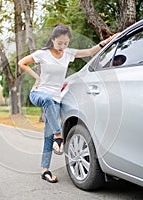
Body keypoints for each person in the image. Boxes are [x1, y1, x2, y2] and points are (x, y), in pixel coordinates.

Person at [18, 24, 116, 183]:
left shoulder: (68, 54)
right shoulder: (42, 54)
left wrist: (106, 42)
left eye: (66, 43)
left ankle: (45, 170)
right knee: (49, 102)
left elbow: (90, 52)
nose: (62, 46)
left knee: (47, 134)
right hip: (39, 93)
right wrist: (37, 78)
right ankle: (59, 135)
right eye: (59, 43)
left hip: (56, 99)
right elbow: (22, 62)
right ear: (52, 40)